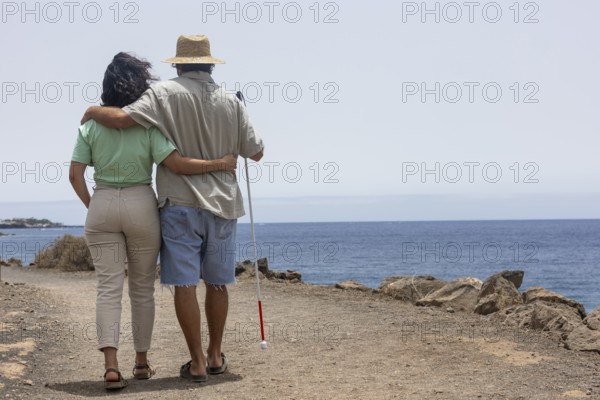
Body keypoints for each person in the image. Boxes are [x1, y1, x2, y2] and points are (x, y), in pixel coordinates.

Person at [81, 35, 264, 382]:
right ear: (210, 64)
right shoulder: (231, 101)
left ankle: (195, 362)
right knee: (218, 283)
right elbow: (255, 152)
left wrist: (91, 111)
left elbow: (121, 119)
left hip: (179, 202)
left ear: (178, 64)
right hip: (223, 204)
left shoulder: (163, 93)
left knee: (184, 285)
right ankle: (214, 356)